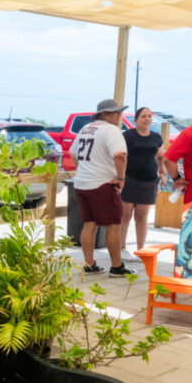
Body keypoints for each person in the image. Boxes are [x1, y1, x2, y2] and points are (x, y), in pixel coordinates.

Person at [70, 98, 129, 276]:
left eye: (120, 112)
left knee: (89, 223)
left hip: (82, 183)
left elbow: (73, 153)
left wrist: (84, 170)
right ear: (104, 114)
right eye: (116, 112)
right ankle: (117, 267)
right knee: (113, 225)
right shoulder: (111, 130)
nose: (120, 115)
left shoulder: (85, 129)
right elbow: (120, 156)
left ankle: (89, 264)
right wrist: (120, 178)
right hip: (102, 183)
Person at [119, 106, 165, 260]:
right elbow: (120, 156)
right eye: (143, 116)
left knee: (142, 217)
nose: (147, 119)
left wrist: (163, 173)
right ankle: (121, 248)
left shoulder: (156, 137)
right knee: (125, 215)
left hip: (149, 180)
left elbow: (160, 157)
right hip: (129, 179)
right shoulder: (127, 136)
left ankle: (140, 249)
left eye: (149, 116)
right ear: (136, 120)